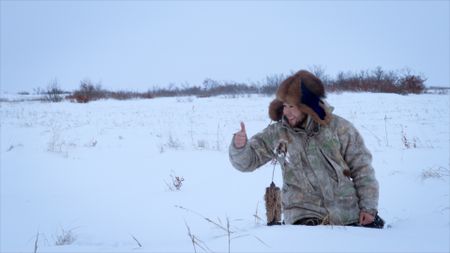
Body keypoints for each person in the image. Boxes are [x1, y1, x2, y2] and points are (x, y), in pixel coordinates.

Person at [229, 70, 384, 228]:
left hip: (346, 214)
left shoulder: (339, 128)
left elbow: (362, 168)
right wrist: (239, 147)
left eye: (292, 106)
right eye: (284, 106)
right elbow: (247, 162)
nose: (286, 112)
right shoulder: (277, 133)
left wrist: (368, 208)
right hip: (302, 217)